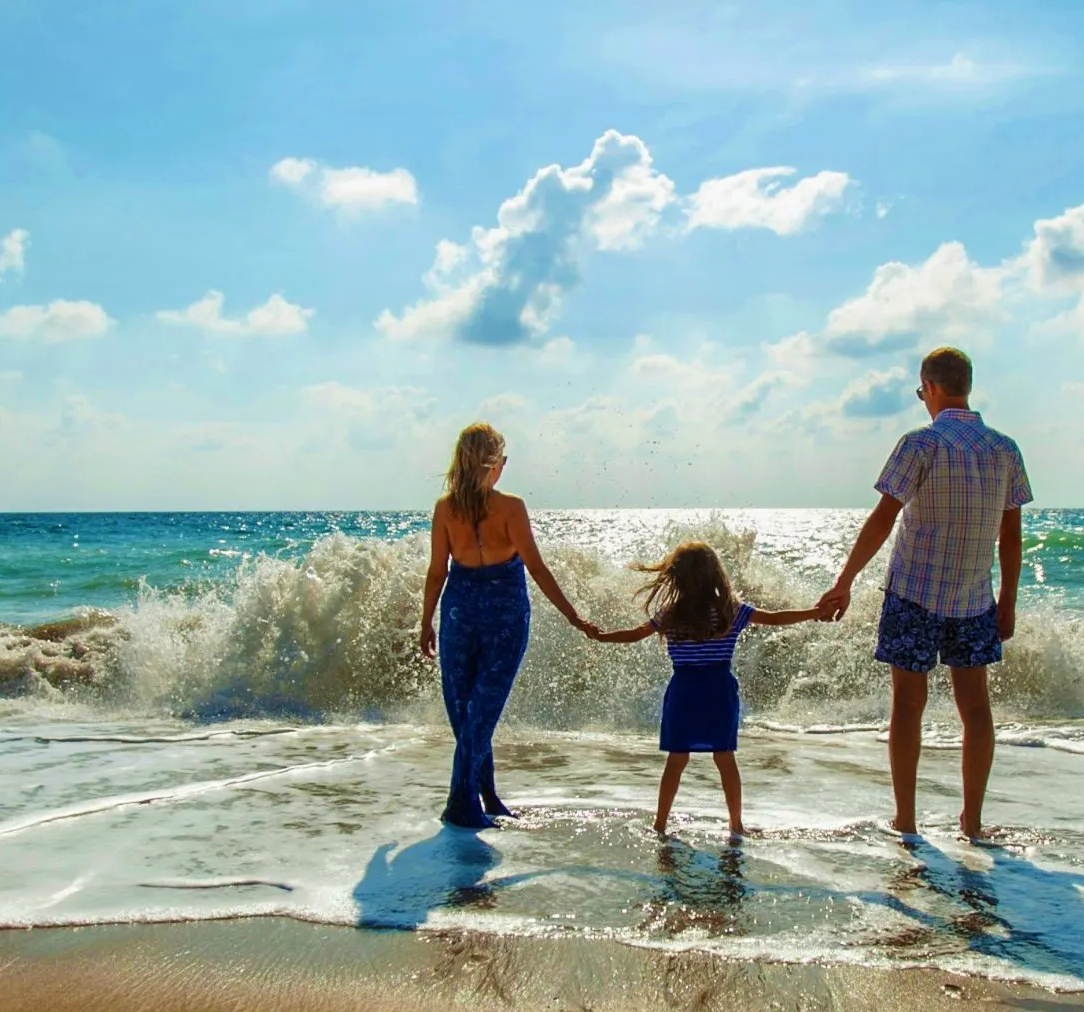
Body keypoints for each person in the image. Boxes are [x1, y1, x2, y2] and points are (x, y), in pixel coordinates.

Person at [816, 346, 1032, 842]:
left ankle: (907, 820)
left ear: (930, 387)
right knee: (975, 710)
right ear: (968, 386)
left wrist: (844, 581)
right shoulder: (1004, 449)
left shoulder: (920, 444)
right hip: (975, 598)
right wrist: (1009, 601)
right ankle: (971, 823)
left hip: (913, 593)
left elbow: (882, 518)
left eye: (921, 392)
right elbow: (1012, 537)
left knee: (908, 707)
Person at [584, 539, 827, 838]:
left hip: (684, 691)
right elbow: (775, 619)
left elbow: (635, 635)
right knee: (724, 758)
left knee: (676, 760)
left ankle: (660, 824)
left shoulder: (670, 613)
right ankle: (736, 825)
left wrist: (601, 637)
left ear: (677, 577)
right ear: (715, 574)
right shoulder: (730, 610)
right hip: (718, 691)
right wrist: (814, 612)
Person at [417, 423, 594, 829]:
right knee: (479, 711)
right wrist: (573, 616)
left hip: (459, 612)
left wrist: (426, 620)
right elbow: (536, 567)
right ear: (497, 464)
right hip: (504, 617)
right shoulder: (511, 507)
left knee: (469, 712)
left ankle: (485, 796)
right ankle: (462, 801)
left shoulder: (446, 508)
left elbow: (436, 572)